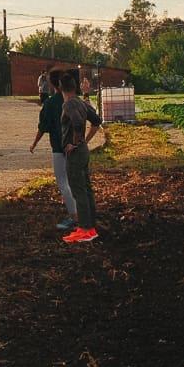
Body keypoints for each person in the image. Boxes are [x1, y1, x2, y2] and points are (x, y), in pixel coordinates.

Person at [59, 72, 105, 243]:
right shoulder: (80, 102)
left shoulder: (69, 104)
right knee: (86, 189)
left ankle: (85, 230)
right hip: (83, 151)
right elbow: (97, 120)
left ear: (60, 88)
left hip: (76, 153)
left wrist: (74, 142)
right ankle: (90, 226)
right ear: (75, 87)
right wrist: (85, 141)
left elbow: (78, 123)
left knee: (78, 190)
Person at [29, 69, 76, 232]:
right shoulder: (73, 100)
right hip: (76, 146)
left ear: (52, 84)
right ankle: (83, 213)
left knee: (63, 182)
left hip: (59, 147)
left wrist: (34, 143)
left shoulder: (50, 103)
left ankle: (74, 216)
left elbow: (43, 126)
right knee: (75, 182)